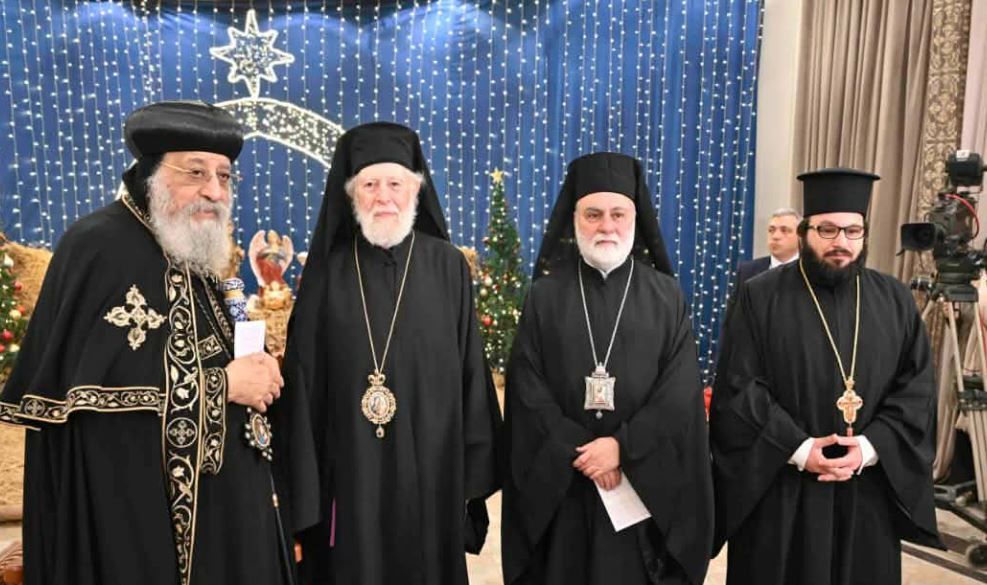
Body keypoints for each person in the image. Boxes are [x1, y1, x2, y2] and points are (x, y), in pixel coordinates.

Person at [0, 101, 291, 585]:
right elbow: (87, 405)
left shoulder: (189, 249)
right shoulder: (97, 246)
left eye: (224, 176)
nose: (214, 191)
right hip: (139, 526)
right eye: (195, 172)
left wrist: (259, 369)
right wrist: (222, 386)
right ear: (152, 172)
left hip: (226, 520)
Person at [276, 121, 500, 585]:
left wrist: (471, 479)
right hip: (349, 477)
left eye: (395, 184)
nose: (384, 197)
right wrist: (304, 497)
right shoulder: (327, 275)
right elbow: (303, 386)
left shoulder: (448, 267)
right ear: (351, 195)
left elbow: (472, 376)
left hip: (432, 477)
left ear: (415, 190)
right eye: (370, 185)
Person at [711, 168, 944, 584]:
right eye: (828, 229)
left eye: (853, 231)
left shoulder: (894, 299)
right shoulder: (759, 295)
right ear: (806, 233)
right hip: (782, 485)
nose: (841, 242)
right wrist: (800, 448)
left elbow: (916, 389)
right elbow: (739, 386)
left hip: (866, 487)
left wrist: (869, 447)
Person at [501, 152, 713, 585]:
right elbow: (526, 387)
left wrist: (622, 447)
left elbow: (679, 391)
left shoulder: (666, 297)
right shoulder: (544, 296)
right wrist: (580, 449)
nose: (607, 226)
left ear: (636, 218)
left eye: (618, 214)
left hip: (640, 489)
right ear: (574, 219)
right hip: (564, 485)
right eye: (593, 214)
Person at [733, 207, 801, 291]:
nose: (775, 236)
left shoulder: (810, 271)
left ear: (801, 236)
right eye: (771, 230)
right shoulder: (747, 271)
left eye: (784, 230)